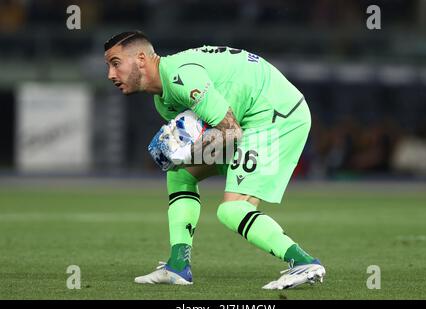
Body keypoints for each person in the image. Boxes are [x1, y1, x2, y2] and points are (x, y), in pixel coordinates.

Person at [104, 30, 325, 289]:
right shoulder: (163, 101)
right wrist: (185, 157)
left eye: (115, 63)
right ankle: (178, 265)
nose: (110, 74)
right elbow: (216, 131)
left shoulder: (182, 79)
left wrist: (186, 153)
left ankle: (304, 262)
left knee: (232, 209)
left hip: (275, 117)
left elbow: (230, 131)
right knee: (180, 174)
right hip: (249, 120)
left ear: (141, 58)